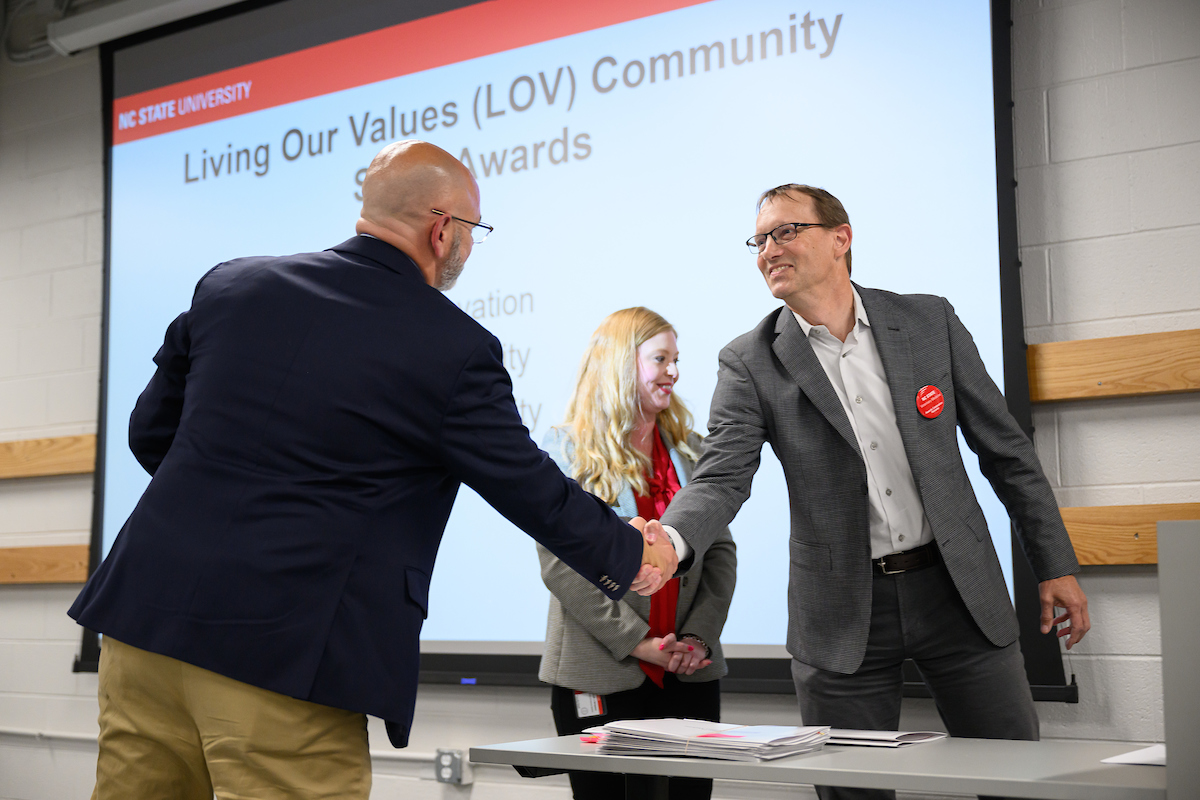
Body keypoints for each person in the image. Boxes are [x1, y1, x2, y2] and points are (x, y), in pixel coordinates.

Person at [67, 140, 678, 800]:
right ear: (443, 230)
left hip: (141, 628)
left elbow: (150, 433)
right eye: (473, 231)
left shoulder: (231, 285)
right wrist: (631, 551)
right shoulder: (453, 346)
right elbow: (528, 486)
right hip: (280, 652)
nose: (470, 247)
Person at [647, 185, 1090, 800]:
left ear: (841, 237)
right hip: (843, 613)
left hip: (958, 593)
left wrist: (1054, 563)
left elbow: (1007, 452)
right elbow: (722, 475)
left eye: (785, 232)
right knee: (852, 793)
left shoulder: (928, 320)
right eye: (759, 240)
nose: (768, 251)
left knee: (1015, 782)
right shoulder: (749, 360)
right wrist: (671, 539)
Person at [538, 307, 736, 800]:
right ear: (621, 365)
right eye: (660, 359)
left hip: (689, 671)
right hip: (601, 673)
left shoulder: (693, 452)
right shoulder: (567, 452)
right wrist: (638, 642)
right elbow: (561, 567)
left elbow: (721, 554)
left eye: (676, 359)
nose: (673, 371)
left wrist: (699, 638)